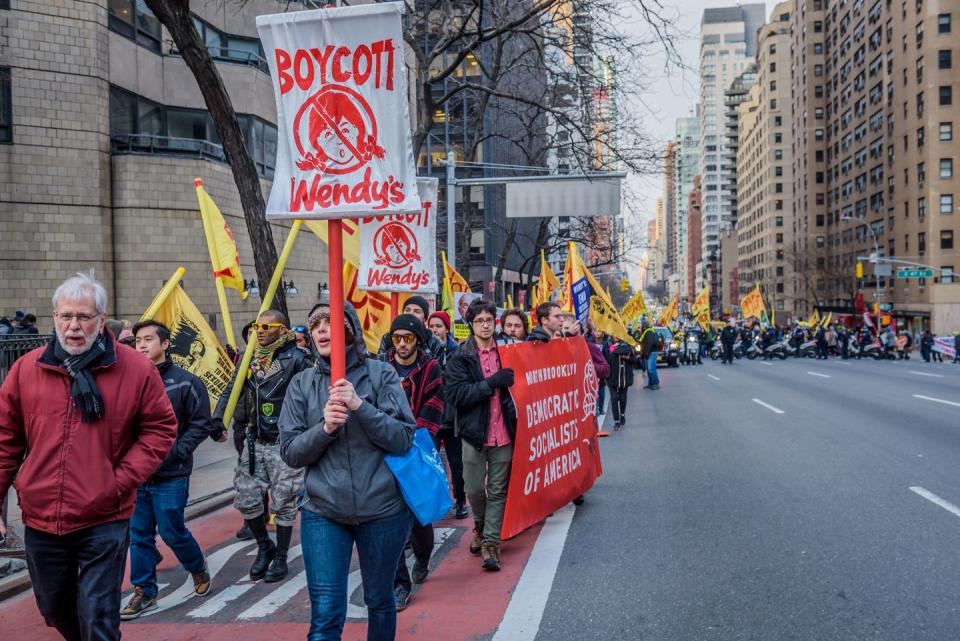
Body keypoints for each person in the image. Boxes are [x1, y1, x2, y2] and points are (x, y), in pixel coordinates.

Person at [0, 271, 177, 641]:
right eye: (65, 316)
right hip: (42, 515)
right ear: (54, 318)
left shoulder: (135, 369)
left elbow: (160, 430)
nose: (73, 326)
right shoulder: (26, 369)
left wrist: (118, 481)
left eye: (83, 317)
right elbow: (6, 441)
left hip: (104, 516)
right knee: (53, 607)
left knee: (98, 616)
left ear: (101, 318)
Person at [279, 299, 415, 641]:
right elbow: (291, 452)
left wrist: (360, 406)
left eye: (331, 320)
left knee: (379, 599)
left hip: (383, 509)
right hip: (324, 511)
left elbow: (402, 439)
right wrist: (323, 429)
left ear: (351, 329)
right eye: (315, 324)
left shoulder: (381, 374)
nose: (322, 328)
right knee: (325, 612)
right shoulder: (302, 384)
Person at [120, 320, 215, 619]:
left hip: (171, 474)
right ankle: (144, 591)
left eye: (149, 339)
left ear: (165, 344)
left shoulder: (186, 382)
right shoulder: (129, 381)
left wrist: (177, 451)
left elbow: (201, 423)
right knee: (139, 535)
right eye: (138, 341)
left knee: (173, 531)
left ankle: (197, 567)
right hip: (137, 474)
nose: (143, 345)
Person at [213, 309, 312, 583]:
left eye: (268, 327)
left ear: (283, 330)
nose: (261, 331)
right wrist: (218, 419)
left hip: (284, 442)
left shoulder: (298, 360)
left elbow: (312, 393)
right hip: (254, 441)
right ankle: (263, 547)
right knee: (246, 497)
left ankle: (280, 556)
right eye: (258, 327)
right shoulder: (249, 360)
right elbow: (230, 389)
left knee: (283, 501)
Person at [446, 299, 517, 571]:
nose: (485, 325)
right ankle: (480, 525)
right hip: (474, 434)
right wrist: (490, 384)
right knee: (475, 489)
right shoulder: (460, 357)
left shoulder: (508, 351)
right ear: (471, 325)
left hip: (504, 433)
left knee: (498, 490)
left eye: (489, 320)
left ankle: (491, 543)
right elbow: (456, 396)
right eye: (479, 321)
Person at [384, 314, 445, 611]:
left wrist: (416, 436)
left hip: (417, 447)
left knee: (419, 515)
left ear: (418, 341)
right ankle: (399, 583)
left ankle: (422, 557)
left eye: (408, 338)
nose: (402, 344)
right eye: (397, 338)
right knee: (390, 518)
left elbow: (436, 404)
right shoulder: (381, 366)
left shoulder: (431, 367)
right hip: (385, 449)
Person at [426, 311, 468, 520]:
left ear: (447, 329)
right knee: (431, 465)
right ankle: (435, 504)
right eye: (431, 326)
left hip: (453, 419)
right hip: (431, 419)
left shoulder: (457, 352)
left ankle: (460, 499)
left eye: (438, 326)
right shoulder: (425, 351)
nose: (434, 330)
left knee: (457, 464)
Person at [376, 295, 443, 359]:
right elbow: (380, 365)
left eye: (417, 311)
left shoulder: (434, 342)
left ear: (425, 319)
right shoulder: (388, 338)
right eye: (407, 310)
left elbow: (440, 369)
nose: (411, 313)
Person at [640, 319, 661, 387]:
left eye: (641, 326)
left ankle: (656, 383)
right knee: (649, 369)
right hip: (649, 352)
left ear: (644, 326)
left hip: (651, 352)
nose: (640, 327)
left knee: (651, 369)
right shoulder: (647, 331)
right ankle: (651, 383)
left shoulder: (649, 332)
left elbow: (649, 344)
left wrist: (646, 354)